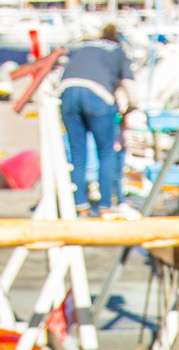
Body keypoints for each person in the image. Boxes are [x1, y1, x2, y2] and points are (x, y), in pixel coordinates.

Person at [61, 25, 133, 214]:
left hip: (67, 90)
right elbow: (129, 85)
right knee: (106, 152)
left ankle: (80, 204)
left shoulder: (84, 47)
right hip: (98, 94)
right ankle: (105, 205)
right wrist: (132, 107)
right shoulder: (117, 51)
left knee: (77, 152)